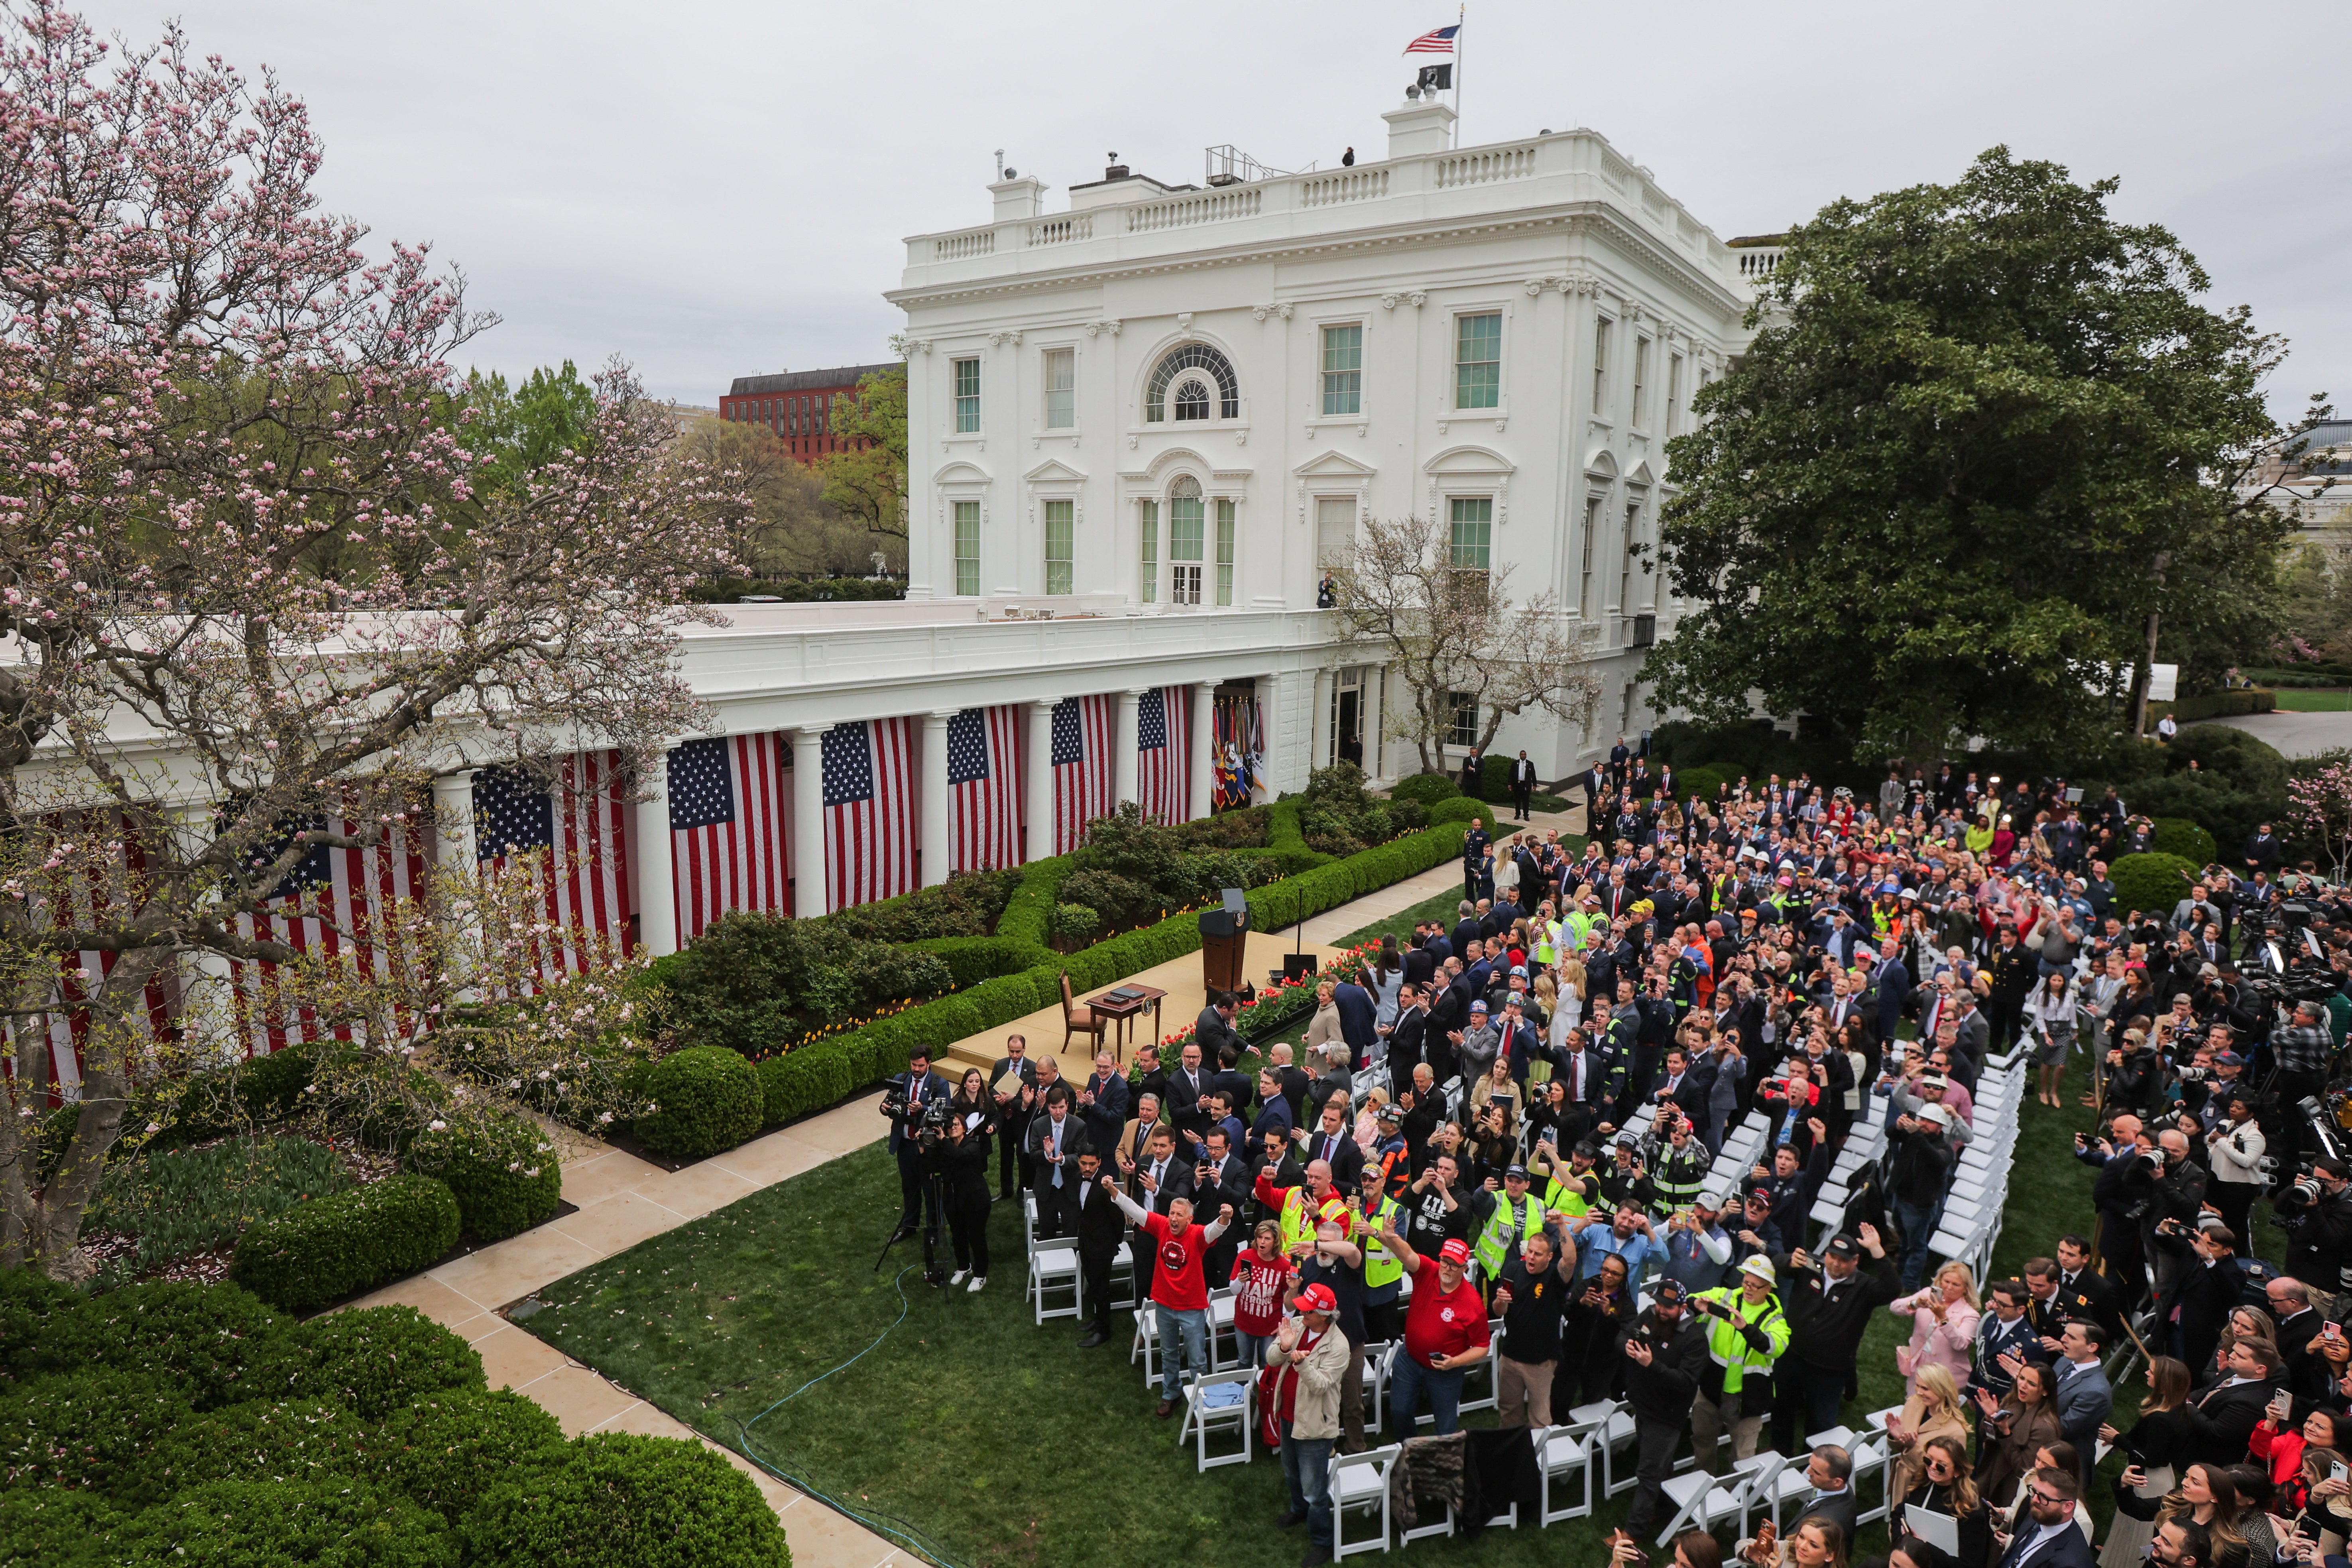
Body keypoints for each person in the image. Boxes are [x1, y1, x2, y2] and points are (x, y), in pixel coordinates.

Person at [1104, 1178, 1233, 1419]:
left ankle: (1200, 1398)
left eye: (1179, 1215)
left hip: (1192, 1308)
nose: (1174, 1218)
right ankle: (1171, 1393)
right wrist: (1114, 1191)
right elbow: (1136, 1211)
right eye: (1172, 1213)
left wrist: (1225, 1218)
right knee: (1169, 1353)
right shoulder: (1162, 1225)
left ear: (1189, 1219)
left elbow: (1214, 1230)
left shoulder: (1197, 1235)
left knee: (1197, 1358)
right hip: (1163, 1304)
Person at [1773, 1226, 1898, 1456]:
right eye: (1832, 1257)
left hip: (1829, 1369)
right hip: (1791, 1356)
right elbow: (1776, 1262)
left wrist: (1878, 1251)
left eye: (1843, 1260)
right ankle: (1780, 1455)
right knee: (1782, 1409)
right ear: (1826, 1253)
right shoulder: (1810, 1266)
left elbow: (1892, 1290)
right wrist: (1789, 1261)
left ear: (1856, 1260)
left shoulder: (1864, 1286)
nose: (1836, 1264)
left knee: (1820, 1424)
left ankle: (1812, 1467)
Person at [1374, 1228, 1491, 1439]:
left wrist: (1454, 1362)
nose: (1447, 1268)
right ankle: (1410, 1450)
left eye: (1454, 1265)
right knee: (1399, 1411)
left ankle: (1441, 1463)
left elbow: (1483, 1346)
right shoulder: (1429, 1270)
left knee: (1446, 1426)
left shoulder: (1472, 1304)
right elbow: (1407, 1255)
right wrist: (1390, 1237)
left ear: (1465, 1268)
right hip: (1410, 1359)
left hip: (1446, 1372)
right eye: (1445, 1261)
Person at [1618, 1276, 1710, 1532]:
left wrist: (1651, 1365)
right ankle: (1662, 1510)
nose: (1662, 1310)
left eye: (1668, 1307)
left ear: (1683, 1307)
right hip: (1643, 1405)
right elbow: (1626, 1333)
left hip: (1667, 1416)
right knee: (1662, 1465)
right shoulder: (1650, 1315)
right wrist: (1625, 1346)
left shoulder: (1695, 1339)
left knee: (1648, 1473)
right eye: (1659, 1304)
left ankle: (1633, 1533)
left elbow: (1686, 1381)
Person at [1269, 1281, 1351, 1567]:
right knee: (1291, 1473)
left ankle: (1322, 1540)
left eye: (1307, 1309)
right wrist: (1283, 1345)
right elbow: (1271, 1358)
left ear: (1324, 1315)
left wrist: (1301, 1362)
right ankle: (1298, 1510)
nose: (1300, 1311)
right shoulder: (1298, 1325)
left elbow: (1319, 1386)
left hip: (1315, 1426)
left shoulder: (1339, 1347)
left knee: (1315, 1489)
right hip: (1289, 1416)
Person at [1689, 1255, 1791, 1471]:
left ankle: (1736, 1498)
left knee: (1743, 1457)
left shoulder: (1776, 1320)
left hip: (1748, 1401)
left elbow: (1774, 1347)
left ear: (1769, 1289)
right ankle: (1701, 1484)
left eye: (1756, 1286)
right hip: (1710, 1392)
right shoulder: (1724, 1297)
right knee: (1702, 1441)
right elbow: (1690, 1302)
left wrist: (1745, 1328)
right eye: (1746, 1282)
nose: (1749, 1289)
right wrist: (1697, 1306)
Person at [2095, 1357, 2195, 1568]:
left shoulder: (2162, 1419)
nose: (2146, 1374)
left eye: (2151, 1372)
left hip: (2147, 1480)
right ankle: (2118, 1553)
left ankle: (2127, 1562)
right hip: (2159, 1475)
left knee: (2137, 1525)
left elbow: (2152, 1459)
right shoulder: (2177, 1409)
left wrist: (2118, 1439)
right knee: (2130, 1523)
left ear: (2164, 1381)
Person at [1490, 1220, 1577, 1428]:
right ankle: (1511, 1452)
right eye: (1530, 1251)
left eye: (1538, 1254)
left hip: (1541, 1361)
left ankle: (1539, 1459)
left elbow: (1571, 1260)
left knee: (1539, 1419)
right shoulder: (1513, 1269)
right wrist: (1501, 1300)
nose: (1531, 1257)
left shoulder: (1556, 1277)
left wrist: (1562, 1227)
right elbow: (1498, 1311)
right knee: (1509, 1412)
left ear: (1549, 1257)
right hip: (1511, 1356)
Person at [882, 1045, 953, 1243]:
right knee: (909, 1187)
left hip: (927, 1145)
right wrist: (884, 1107)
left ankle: (934, 1230)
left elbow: (945, 1113)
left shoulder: (940, 1084)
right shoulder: (901, 1079)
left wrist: (924, 1108)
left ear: (929, 1064)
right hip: (904, 1143)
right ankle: (909, 1226)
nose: (916, 1069)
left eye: (921, 1065)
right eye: (914, 1065)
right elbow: (888, 1103)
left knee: (931, 1190)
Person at [1889, 1434, 1992, 1568]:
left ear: (1958, 1471)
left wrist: (1924, 1548)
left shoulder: (1969, 1512)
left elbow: (1969, 1565)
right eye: (1928, 1460)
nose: (1932, 1467)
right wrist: (1902, 1540)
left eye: (1941, 1466)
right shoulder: (1922, 1484)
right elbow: (1898, 1514)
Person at [1975, 1359, 2063, 1509]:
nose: (2023, 1385)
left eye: (2031, 1384)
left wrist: (2005, 1433)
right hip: (1989, 1479)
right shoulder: (2013, 1403)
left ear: (2045, 1391)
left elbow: (2025, 1469)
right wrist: (1990, 1418)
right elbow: (1987, 1437)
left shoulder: (2045, 1427)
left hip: (2008, 1493)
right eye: (2021, 1378)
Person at [940, 1068, 997, 1293]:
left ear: (966, 1128)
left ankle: (981, 1274)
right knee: (957, 1234)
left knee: (976, 1236)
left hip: (975, 1199)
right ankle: (964, 1267)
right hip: (953, 1197)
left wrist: (943, 1142)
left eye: (957, 1125)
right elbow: (934, 1165)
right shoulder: (945, 1147)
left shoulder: (973, 1145)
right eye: (950, 1125)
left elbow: (961, 1157)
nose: (953, 1127)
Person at [1893, 1261, 1984, 1397]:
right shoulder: (1928, 1294)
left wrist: (1944, 1319)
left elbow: (1961, 1344)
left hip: (1946, 1375)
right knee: (1913, 1407)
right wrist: (1915, 1304)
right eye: (1946, 1281)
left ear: (1966, 1288)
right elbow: (1895, 1307)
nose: (1949, 1287)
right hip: (1919, 1368)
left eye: (1956, 1285)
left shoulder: (1970, 1314)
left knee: (1939, 1415)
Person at [1887, 1362, 1972, 1501]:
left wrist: (1911, 1447)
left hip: (1925, 1490)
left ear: (1942, 1390)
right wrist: (1896, 1438)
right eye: (1918, 1386)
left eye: (1925, 1389)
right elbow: (1899, 1449)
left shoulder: (1956, 1432)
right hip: (1902, 1479)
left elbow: (1946, 1473)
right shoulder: (1914, 1403)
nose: (1919, 1392)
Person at [1070, 1149, 1127, 1348]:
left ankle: (1104, 1330)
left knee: (1102, 1288)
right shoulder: (1078, 1179)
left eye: (1092, 1164)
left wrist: (1112, 1244)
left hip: (1103, 1246)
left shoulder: (1105, 1186)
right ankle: (1097, 1318)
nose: (1087, 1168)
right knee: (1093, 1284)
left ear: (1100, 1163)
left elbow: (1119, 1219)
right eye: (1084, 1163)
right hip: (1085, 1241)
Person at [1994, 1466, 2097, 1568]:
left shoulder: (2069, 1563)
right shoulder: (2041, 1514)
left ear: (2067, 1507)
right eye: (2034, 1491)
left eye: (2044, 1497)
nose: (2035, 1500)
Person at [1230, 1219, 1297, 1373]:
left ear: (1275, 1242)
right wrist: (1239, 1281)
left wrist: (1285, 1322)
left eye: (1267, 1239)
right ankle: (1242, 1394)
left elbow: (1292, 1297)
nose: (1262, 1242)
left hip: (1270, 1327)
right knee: (1244, 1360)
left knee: (1269, 1364)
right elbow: (1233, 1291)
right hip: (1244, 1322)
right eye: (1260, 1237)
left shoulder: (1284, 1266)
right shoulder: (1245, 1257)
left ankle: (1266, 1395)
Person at [1026, 1082, 1087, 1238]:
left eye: (1061, 1107)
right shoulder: (1039, 1125)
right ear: (1048, 1107)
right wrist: (1046, 1154)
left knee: (1071, 1233)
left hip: (1070, 1190)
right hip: (1046, 1190)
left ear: (1067, 1105)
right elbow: (1032, 1155)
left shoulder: (1079, 1126)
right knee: (1047, 1233)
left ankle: (1072, 1261)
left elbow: (1081, 1156)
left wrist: (1063, 1160)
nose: (1058, 1112)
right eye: (1054, 1108)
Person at [988, 1034, 1038, 1202]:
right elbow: (991, 1087)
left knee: (1023, 1158)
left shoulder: (1032, 1068)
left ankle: (1023, 1193)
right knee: (1005, 1156)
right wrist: (998, 1097)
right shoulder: (1000, 1065)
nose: (1015, 1055)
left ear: (1024, 1049)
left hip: (1022, 1120)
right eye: (1012, 1051)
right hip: (1005, 1119)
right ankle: (1006, 1190)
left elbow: (1033, 1092)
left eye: (1018, 1051)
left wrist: (1014, 1098)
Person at [1511, 749, 1539, 821]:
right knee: (1517, 800)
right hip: (1518, 784)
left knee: (1526, 801)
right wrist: (1510, 784)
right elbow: (1511, 774)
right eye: (1522, 754)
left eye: (1525, 754)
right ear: (1520, 755)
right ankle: (1517, 814)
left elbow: (1533, 775)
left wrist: (1535, 785)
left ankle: (1526, 815)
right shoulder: (1515, 763)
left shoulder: (1530, 764)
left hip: (1526, 784)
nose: (1523, 756)